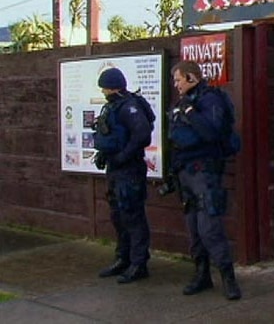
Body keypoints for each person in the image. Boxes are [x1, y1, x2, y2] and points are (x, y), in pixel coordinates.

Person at [167, 60, 241, 300]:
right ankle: (202, 275)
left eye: (178, 79)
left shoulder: (210, 100)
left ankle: (229, 279)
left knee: (210, 229)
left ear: (191, 77)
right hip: (185, 173)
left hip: (205, 173)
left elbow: (211, 133)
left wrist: (190, 111)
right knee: (193, 230)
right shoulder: (182, 103)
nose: (176, 84)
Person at [93, 67, 154, 284]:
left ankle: (139, 263)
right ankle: (123, 258)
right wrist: (105, 155)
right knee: (118, 215)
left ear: (113, 87)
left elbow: (143, 135)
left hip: (130, 169)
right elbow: (113, 134)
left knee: (132, 215)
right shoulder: (114, 106)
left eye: (105, 88)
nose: (103, 92)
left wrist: (123, 156)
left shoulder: (129, 106)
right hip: (116, 169)